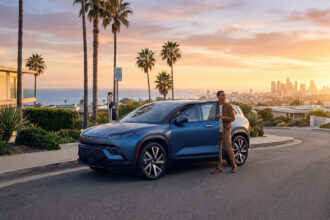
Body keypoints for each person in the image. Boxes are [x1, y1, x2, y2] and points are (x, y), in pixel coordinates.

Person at [212, 90, 237, 174]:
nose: (224, 96)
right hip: (216, 130)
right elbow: (210, 116)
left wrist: (222, 117)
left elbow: (232, 118)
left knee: (228, 148)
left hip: (226, 130)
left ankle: (234, 165)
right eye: (222, 95)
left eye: (225, 95)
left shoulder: (228, 106)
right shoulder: (214, 107)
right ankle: (219, 167)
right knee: (218, 149)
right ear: (218, 96)